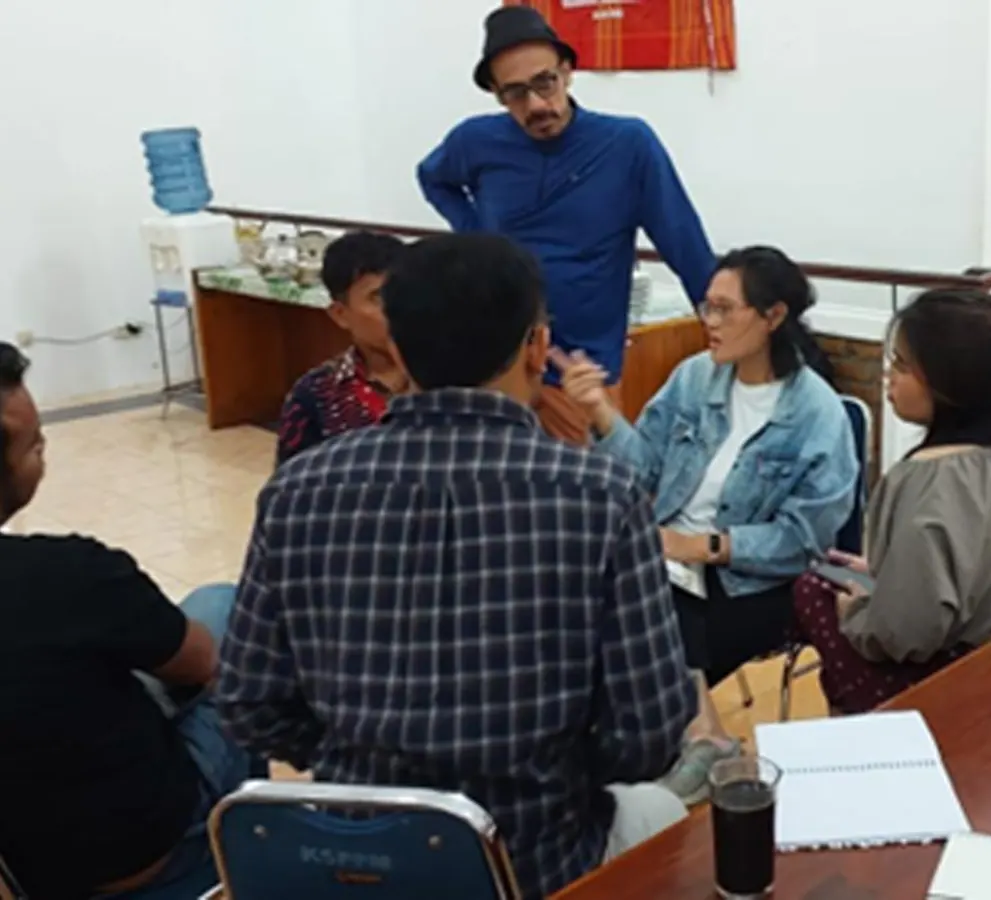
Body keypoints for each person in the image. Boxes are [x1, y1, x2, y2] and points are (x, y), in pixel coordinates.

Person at [218, 234, 702, 900]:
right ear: (536, 347)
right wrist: (549, 772)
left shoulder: (297, 489)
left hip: (352, 862)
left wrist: (356, 759)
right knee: (665, 810)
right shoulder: (603, 497)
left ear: (399, 347)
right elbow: (646, 736)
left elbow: (249, 704)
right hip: (537, 863)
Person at [0, 342, 256, 899]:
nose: (42, 454)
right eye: (33, 444)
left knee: (206, 606)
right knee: (228, 624)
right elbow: (201, 663)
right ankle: (239, 850)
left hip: (23, 865)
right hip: (143, 851)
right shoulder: (68, 573)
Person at [555, 246, 859, 689]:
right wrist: (600, 411)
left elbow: (803, 539)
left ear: (772, 316)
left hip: (747, 582)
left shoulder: (816, 413)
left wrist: (700, 546)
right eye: (707, 307)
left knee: (645, 623)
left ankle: (688, 727)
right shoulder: (695, 377)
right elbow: (641, 475)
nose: (709, 322)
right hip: (667, 557)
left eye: (724, 309)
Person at [417, 5, 716, 445]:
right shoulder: (476, 141)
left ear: (568, 71)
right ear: (498, 96)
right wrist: (478, 236)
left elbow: (684, 243)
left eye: (545, 83)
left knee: (584, 497)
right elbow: (433, 177)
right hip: (500, 364)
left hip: (582, 373)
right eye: (516, 93)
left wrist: (726, 333)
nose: (537, 105)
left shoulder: (627, 144)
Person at [792, 290, 991, 714]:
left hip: (960, 688)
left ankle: (863, 729)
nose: (887, 376)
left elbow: (904, 635)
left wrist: (856, 611)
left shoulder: (927, 479)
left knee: (813, 589)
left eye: (902, 366)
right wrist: (888, 576)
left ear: (953, 385)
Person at [276, 230, 408, 465]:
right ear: (340, 314)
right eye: (377, 298)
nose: (398, 309)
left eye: (404, 293)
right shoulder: (315, 394)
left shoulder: (452, 377)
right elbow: (290, 487)